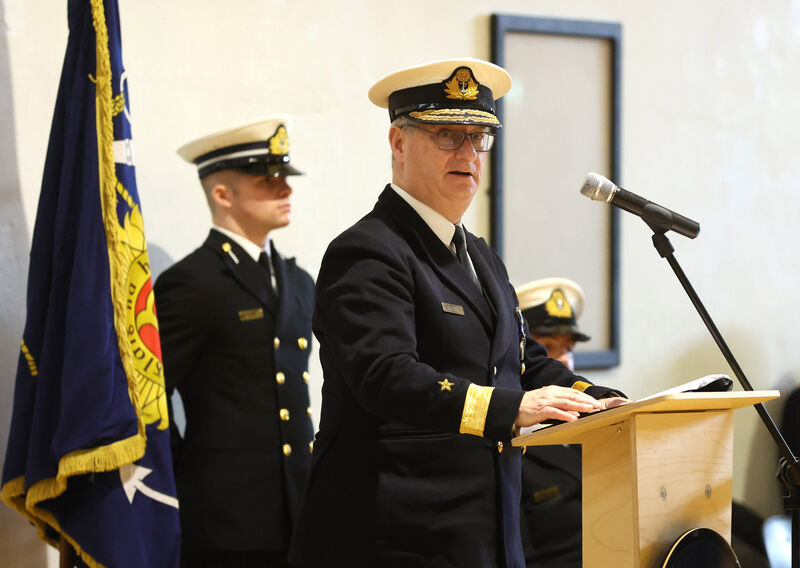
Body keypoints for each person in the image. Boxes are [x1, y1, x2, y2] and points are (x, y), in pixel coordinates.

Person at [288, 58, 626, 568]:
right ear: (398, 144)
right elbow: (384, 376)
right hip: (392, 538)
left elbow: (524, 360)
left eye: (479, 138)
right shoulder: (367, 251)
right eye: (448, 135)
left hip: (486, 536)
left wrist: (599, 399)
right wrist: (509, 408)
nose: (468, 153)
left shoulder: (482, 256)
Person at [155, 117, 315, 568]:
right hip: (224, 520)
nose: (285, 189)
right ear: (223, 195)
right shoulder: (192, 283)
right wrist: (188, 472)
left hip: (298, 511)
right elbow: (149, 395)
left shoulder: (299, 282)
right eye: (268, 180)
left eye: (285, 178)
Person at [515, 277, 593, 568]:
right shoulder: (507, 434)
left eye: (568, 348)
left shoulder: (590, 419)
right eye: (547, 348)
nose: (564, 362)